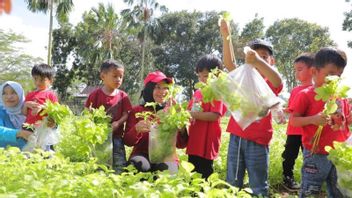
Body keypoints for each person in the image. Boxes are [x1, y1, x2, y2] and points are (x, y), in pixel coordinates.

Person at [220, 19, 283, 197]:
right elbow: (229, 63)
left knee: (258, 186)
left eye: (264, 57)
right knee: (232, 182)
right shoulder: (243, 77)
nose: (258, 60)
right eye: (254, 56)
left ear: (272, 61)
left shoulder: (269, 81)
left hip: (259, 139)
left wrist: (257, 62)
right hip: (236, 137)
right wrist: (226, 37)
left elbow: (278, 80)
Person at [289, 47, 350, 197]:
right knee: (311, 190)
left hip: (338, 154)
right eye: (330, 74)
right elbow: (293, 121)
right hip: (315, 153)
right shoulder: (305, 95)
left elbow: (345, 122)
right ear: (314, 72)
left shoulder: (340, 97)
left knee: (339, 191)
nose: (335, 79)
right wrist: (313, 119)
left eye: (339, 75)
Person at [124, 71, 188, 173]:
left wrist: (182, 128)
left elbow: (182, 144)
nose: (162, 91)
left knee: (169, 172)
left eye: (165, 88)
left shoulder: (172, 112)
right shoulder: (137, 111)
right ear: (149, 89)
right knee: (137, 166)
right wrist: (136, 129)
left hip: (166, 156)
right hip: (142, 154)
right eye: (157, 87)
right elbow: (127, 141)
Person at [85, 59, 132, 173]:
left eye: (121, 77)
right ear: (103, 76)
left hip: (117, 137)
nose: (118, 79)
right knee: (100, 162)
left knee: (119, 161)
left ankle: (118, 180)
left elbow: (127, 114)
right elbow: (87, 111)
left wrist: (118, 123)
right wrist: (91, 117)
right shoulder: (95, 95)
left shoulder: (123, 96)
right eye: (115, 76)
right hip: (99, 138)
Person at [186, 54, 227, 179]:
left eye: (205, 76)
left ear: (217, 75)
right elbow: (189, 111)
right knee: (192, 170)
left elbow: (215, 116)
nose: (202, 79)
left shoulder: (217, 92)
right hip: (195, 140)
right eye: (199, 76)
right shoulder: (198, 92)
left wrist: (192, 114)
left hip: (208, 140)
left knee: (205, 172)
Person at [281, 53, 314, 191]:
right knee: (289, 155)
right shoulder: (295, 90)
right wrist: (282, 110)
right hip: (293, 131)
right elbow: (293, 109)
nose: (296, 73)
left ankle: (311, 182)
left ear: (313, 70)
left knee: (311, 159)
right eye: (295, 70)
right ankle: (287, 178)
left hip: (309, 132)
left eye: (300, 69)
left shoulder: (316, 90)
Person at [0, 81, 32, 149]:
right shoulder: (1, 111)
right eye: (4, 93)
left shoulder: (29, 109)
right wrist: (20, 133)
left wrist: (52, 124)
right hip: (6, 155)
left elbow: (43, 124)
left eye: (13, 93)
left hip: (32, 155)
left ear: (20, 94)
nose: (9, 97)